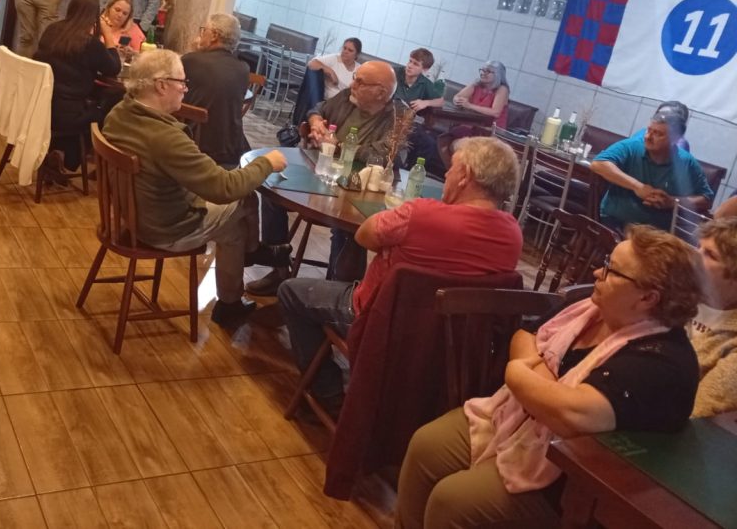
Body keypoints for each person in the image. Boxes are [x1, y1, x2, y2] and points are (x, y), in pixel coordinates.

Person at [395, 225, 702, 529]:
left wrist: (518, 374)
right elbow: (524, 335)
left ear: (648, 298)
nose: (598, 272)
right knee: (426, 445)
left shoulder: (662, 362)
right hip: (515, 419)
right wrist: (542, 383)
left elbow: (570, 416)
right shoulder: (588, 308)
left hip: (570, 477)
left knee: (451, 501)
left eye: (612, 270)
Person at [277, 137, 524, 414]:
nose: (446, 175)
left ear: (465, 175)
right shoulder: (513, 236)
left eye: (451, 168)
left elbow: (363, 236)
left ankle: (329, 393)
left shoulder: (419, 215)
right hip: (452, 342)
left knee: (291, 291)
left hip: (382, 321)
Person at [102, 49, 287, 326]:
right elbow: (223, 188)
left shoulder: (120, 112)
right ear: (161, 85)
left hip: (133, 216)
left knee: (237, 222)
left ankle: (235, 291)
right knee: (243, 198)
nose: (185, 89)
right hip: (165, 230)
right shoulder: (165, 138)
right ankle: (244, 271)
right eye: (182, 82)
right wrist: (266, 163)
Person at [249, 60, 401, 296]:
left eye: (360, 82)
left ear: (381, 92)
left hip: (359, 188)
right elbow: (318, 108)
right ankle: (278, 269)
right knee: (273, 190)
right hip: (323, 172)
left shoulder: (398, 118)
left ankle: (337, 293)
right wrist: (316, 122)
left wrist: (339, 146)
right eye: (355, 78)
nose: (352, 84)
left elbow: (386, 155)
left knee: (348, 227)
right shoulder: (347, 98)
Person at [34, 0, 121, 178]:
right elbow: (114, 68)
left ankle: (57, 153)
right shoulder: (90, 44)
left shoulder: (52, 30)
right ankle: (68, 159)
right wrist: (107, 34)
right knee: (105, 108)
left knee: (85, 103)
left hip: (39, 106)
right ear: (94, 15)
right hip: (64, 116)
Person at [590, 109, 713, 231]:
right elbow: (598, 163)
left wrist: (672, 202)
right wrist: (637, 186)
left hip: (657, 232)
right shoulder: (632, 146)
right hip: (616, 222)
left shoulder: (686, 162)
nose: (648, 137)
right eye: (649, 130)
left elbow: (706, 199)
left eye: (658, 134)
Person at [181, 13, 250, 168]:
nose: (201, 34)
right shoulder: (243, 69)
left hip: (194, 145)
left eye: (204, 30)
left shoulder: (191, 60)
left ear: (214, 36)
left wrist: (194, 52)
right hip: (231, 150)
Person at [690, 217, 737, 417]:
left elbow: (699, 413)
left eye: (709, 254)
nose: (694, 255)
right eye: (698, 247)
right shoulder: (675, 294)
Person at [437, 60, 511, 169]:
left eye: (488, 71)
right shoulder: (477, 84)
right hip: (471, 126)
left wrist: (469, 105)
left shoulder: (502, 89)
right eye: (482, 70)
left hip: (490, 132)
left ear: (498, 75)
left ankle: (457, 171)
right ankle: (454, 171)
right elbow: (457, 97)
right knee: (447, 140)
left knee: (458, 144)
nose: (483, 73)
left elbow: (495, 112)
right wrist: (458, 100)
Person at [395, 47, 446, 172]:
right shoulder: (395, 72)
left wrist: (426, 102)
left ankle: (409, 171)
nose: (409, 66)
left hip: (406, 124)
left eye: (415, 64)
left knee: (429, 144)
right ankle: (397, 168)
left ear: (425, 69)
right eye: (410, 61)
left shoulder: (424, 83)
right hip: (387, 119)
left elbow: (440, 101)